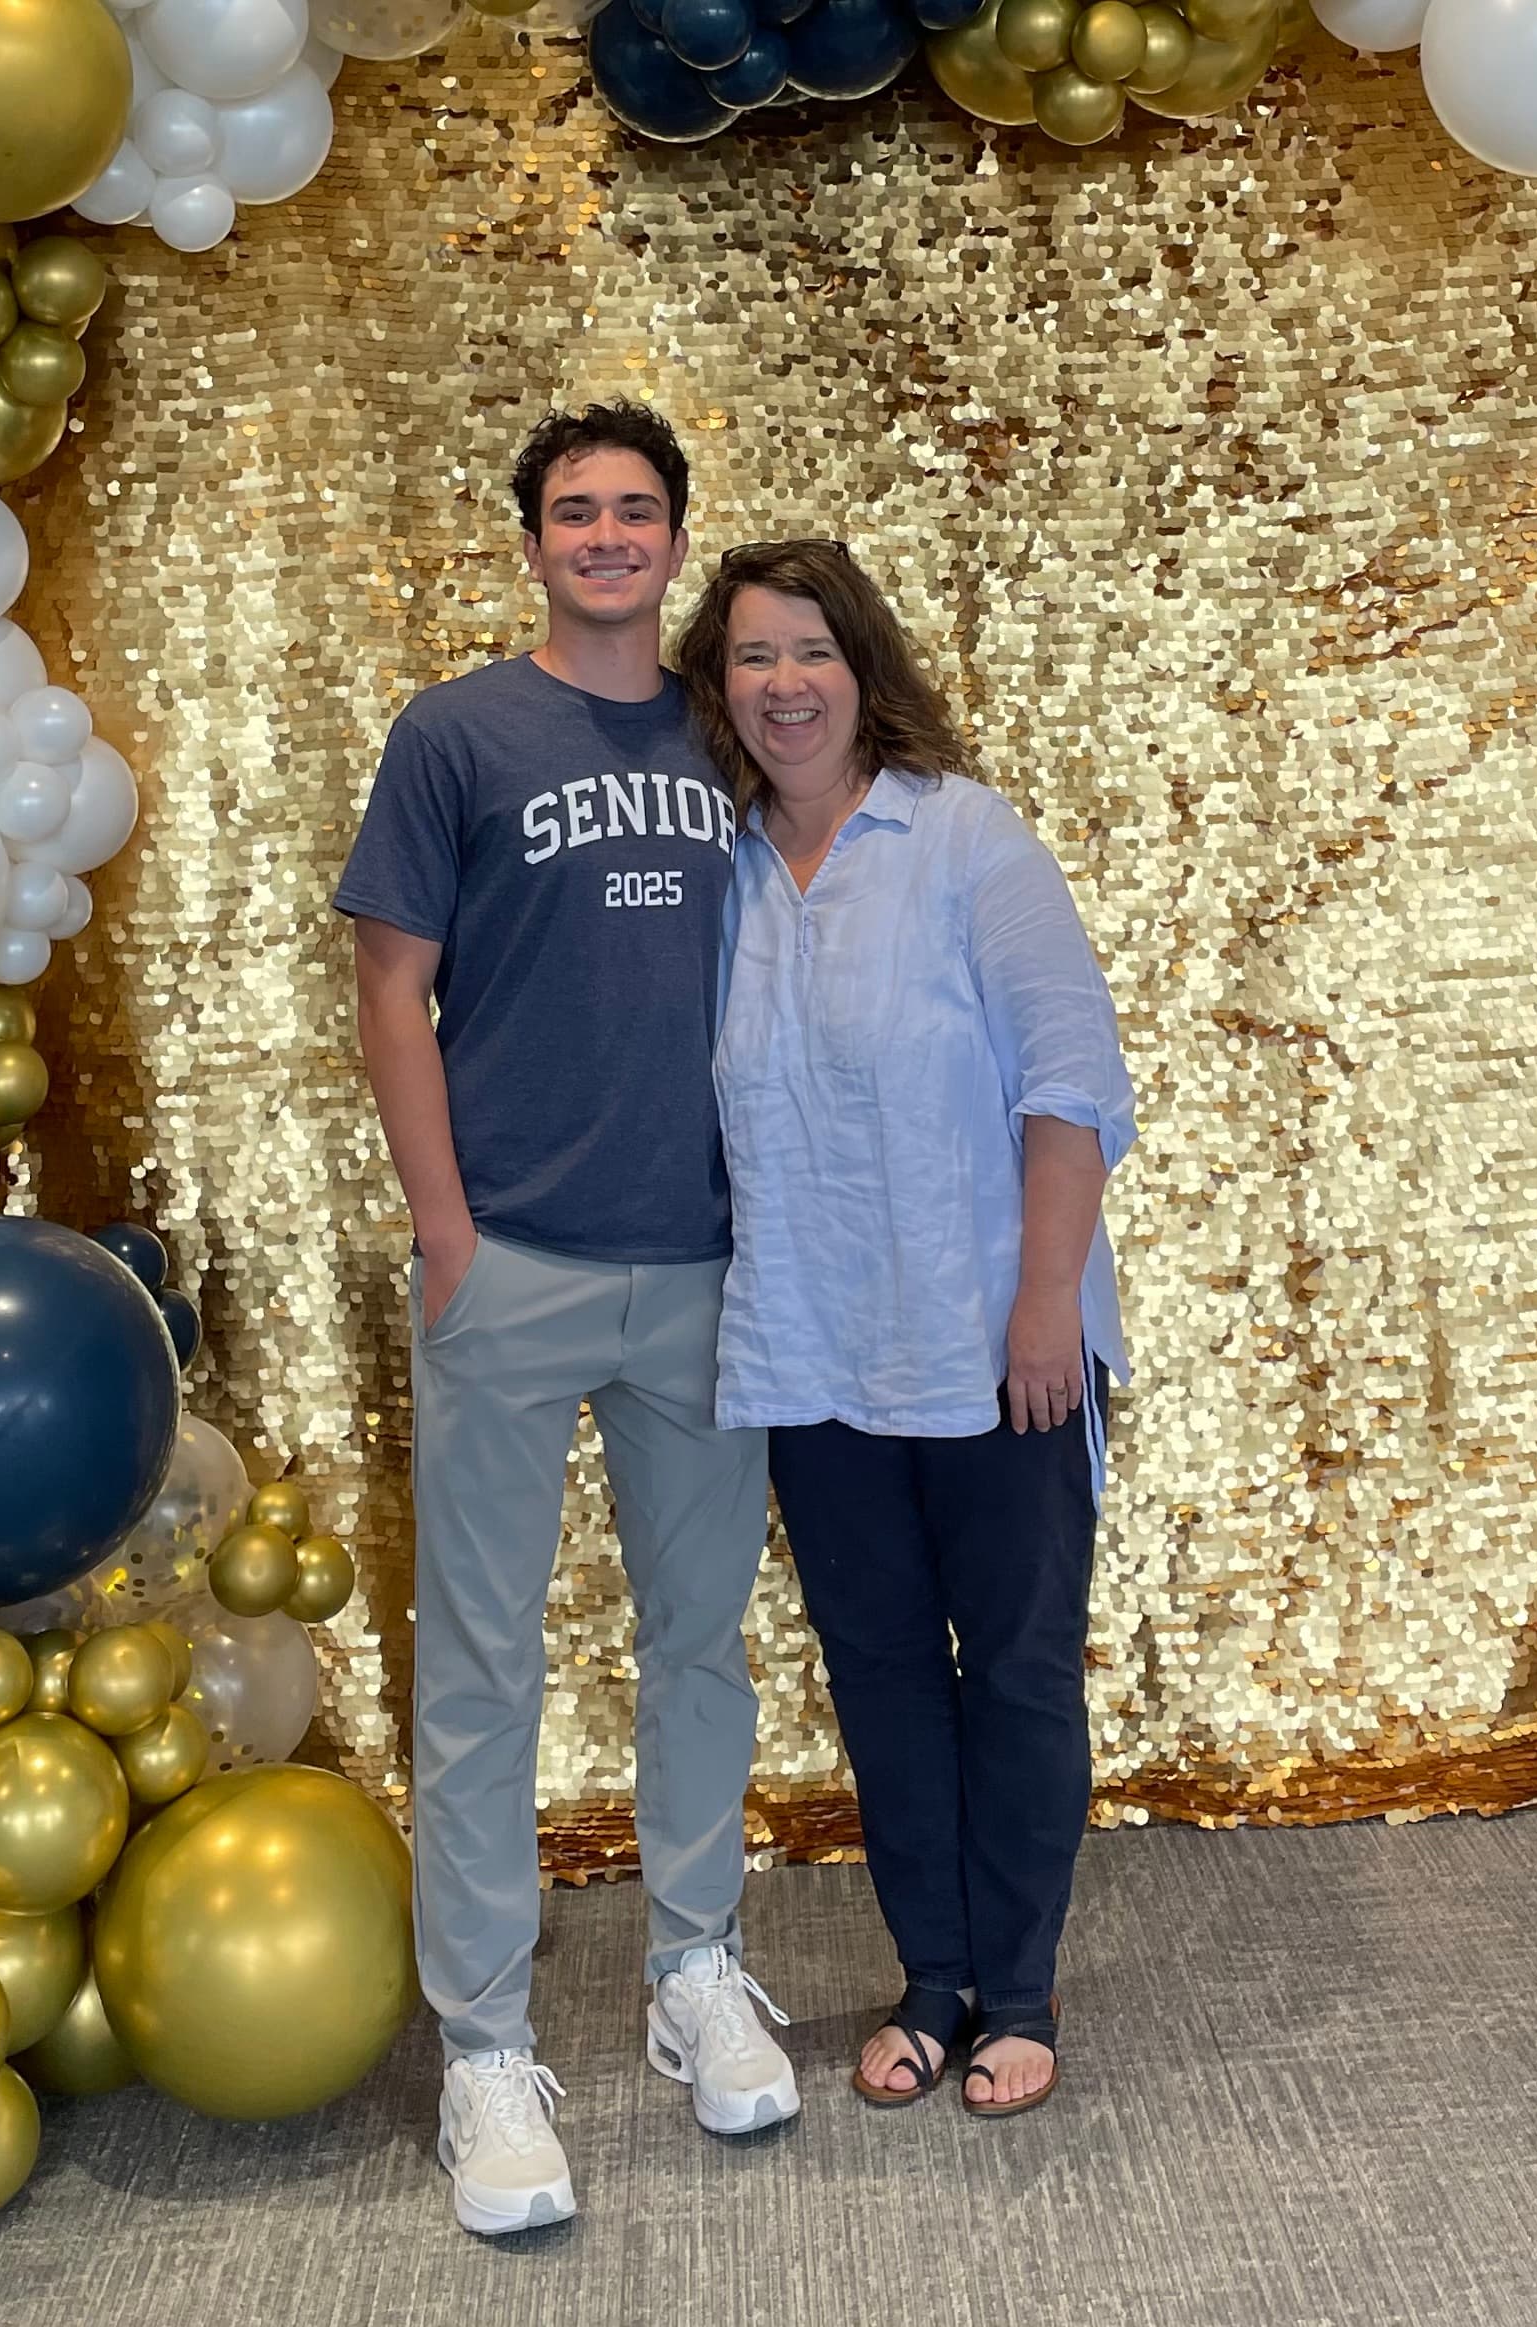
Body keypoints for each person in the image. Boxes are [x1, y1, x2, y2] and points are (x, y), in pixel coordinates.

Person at [336, 406, 797, 2237]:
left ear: (677, 537)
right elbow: (390, 992)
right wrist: (445, 1231)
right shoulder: (456, 731)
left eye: (634, 510)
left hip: (704, 1270)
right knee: (481, 1672)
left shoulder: (732, 724)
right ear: (531, 541)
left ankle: (694, 1969)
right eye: (572, 511)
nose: (604, 535)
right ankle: (483, 2049)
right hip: (510, 1263)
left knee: (700, 1643)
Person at [675, 539, 1135, 2120]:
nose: (784, 684)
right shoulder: (717, 873)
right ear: (715, 689)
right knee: (877, 1672)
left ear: (862, 668)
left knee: (1011, 1671)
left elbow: (1070, 1080)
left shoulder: (959, 839)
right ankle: (929, 1978)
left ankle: (1018, 1988)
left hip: (994, 1339)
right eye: (750, 657)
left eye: (811, 650)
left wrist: (1044, 1305)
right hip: (809, 1350)